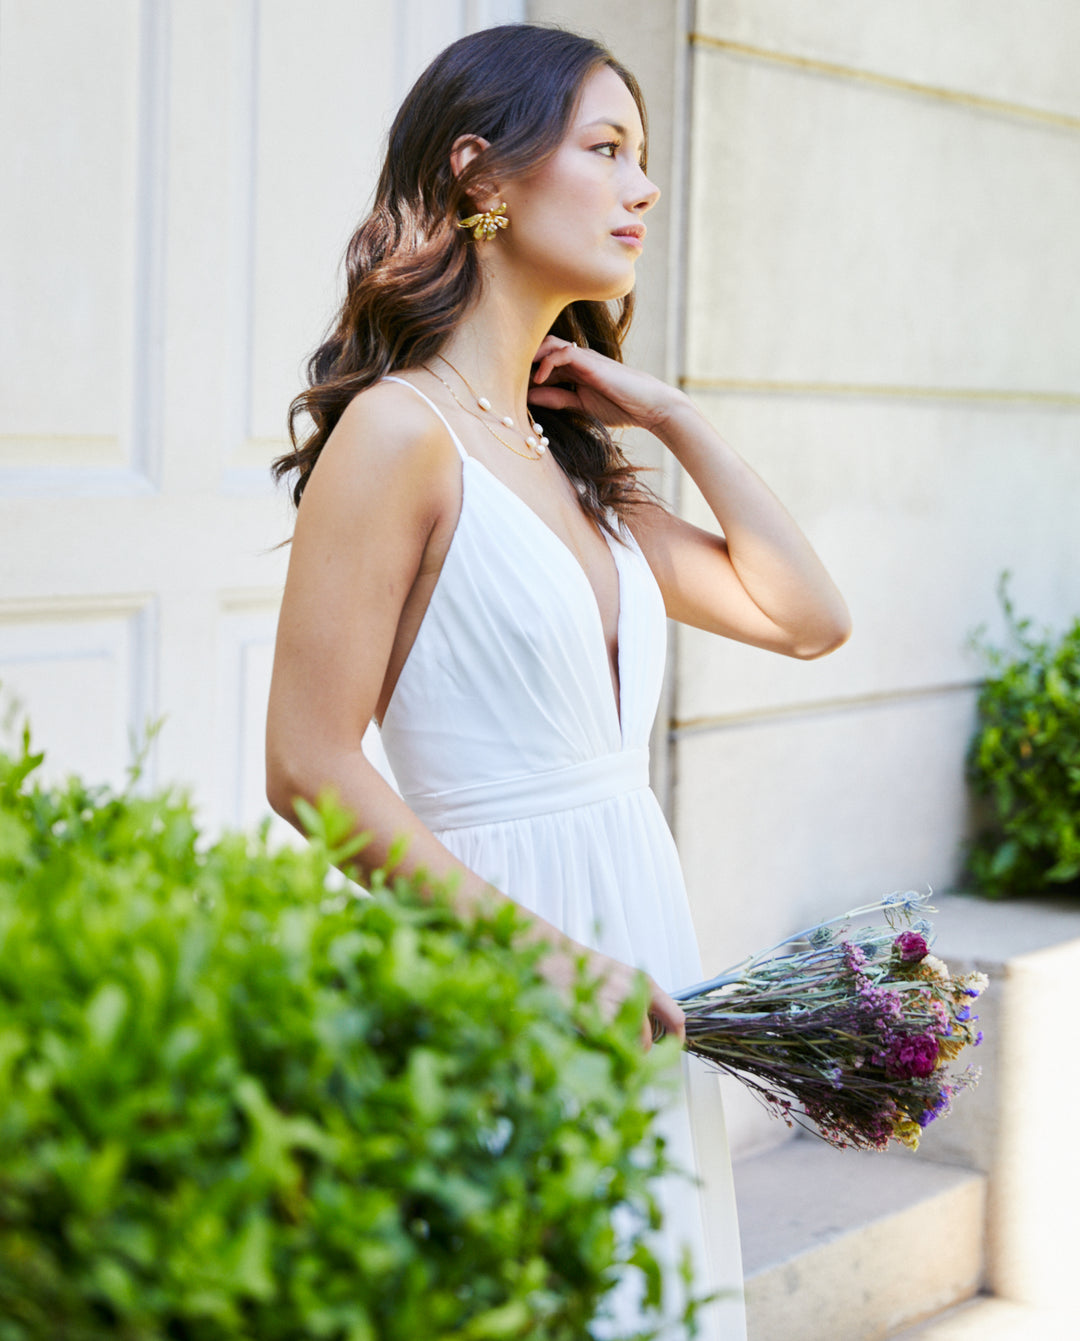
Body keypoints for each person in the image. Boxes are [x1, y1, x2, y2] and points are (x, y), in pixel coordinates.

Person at [265, 22, 851, 1340]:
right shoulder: (399, 435)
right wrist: (546, 963)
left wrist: (674, 417)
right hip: (500, 952)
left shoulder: (575, 463)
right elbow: (306, 762)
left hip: (637, 942)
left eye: (644, 159)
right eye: (608, 150)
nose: (643, 188)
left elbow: (810, 619)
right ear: (483, 175)